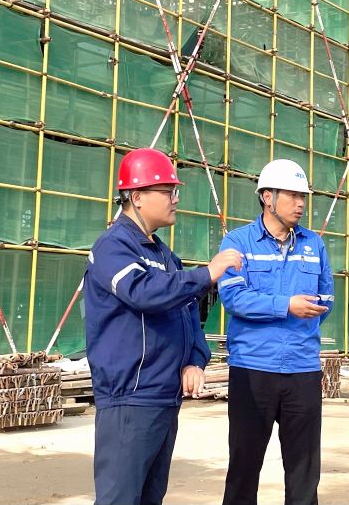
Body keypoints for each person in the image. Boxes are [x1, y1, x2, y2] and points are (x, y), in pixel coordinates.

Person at [84, 147, 243, 505]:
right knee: (120, 498)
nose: (175, 199)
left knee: (150, 497)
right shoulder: (113, 247)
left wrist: (194, 360)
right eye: (167, 191)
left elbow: (188, 315)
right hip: (129, 397)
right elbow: (143, 293)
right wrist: (207, 273)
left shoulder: (164, 256)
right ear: (137, 196)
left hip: (163, 396)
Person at [217, 158, 335, 505]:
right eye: (292, 195)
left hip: (303, 369)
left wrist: (297, 327)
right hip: (253, 369)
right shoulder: (238, 242)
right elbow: (234, 298)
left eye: (303, 197)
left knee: (304, 471)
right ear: (267, 197)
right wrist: (286, 307)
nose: (300, 204)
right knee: (244, 466)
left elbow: (326, 299)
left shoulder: (314, 245)